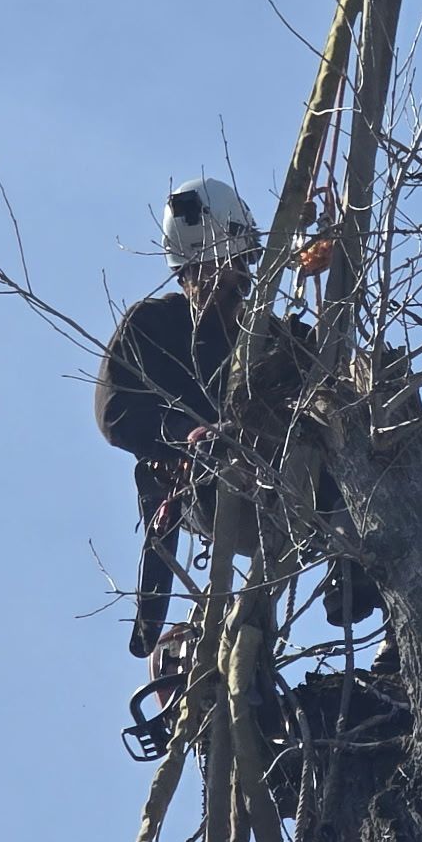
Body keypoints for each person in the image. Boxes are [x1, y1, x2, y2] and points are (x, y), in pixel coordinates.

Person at [96, 176, 376, 667]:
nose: (236, 283)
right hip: (214, 487)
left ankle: (360, 577)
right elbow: (117, 415)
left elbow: (331, 368)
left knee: (372, 455)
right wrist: (188, 436)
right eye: (223, 273)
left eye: (243, 270)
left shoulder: (266, 333)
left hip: (304, 487)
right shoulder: (152, 327)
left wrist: (336, 258)